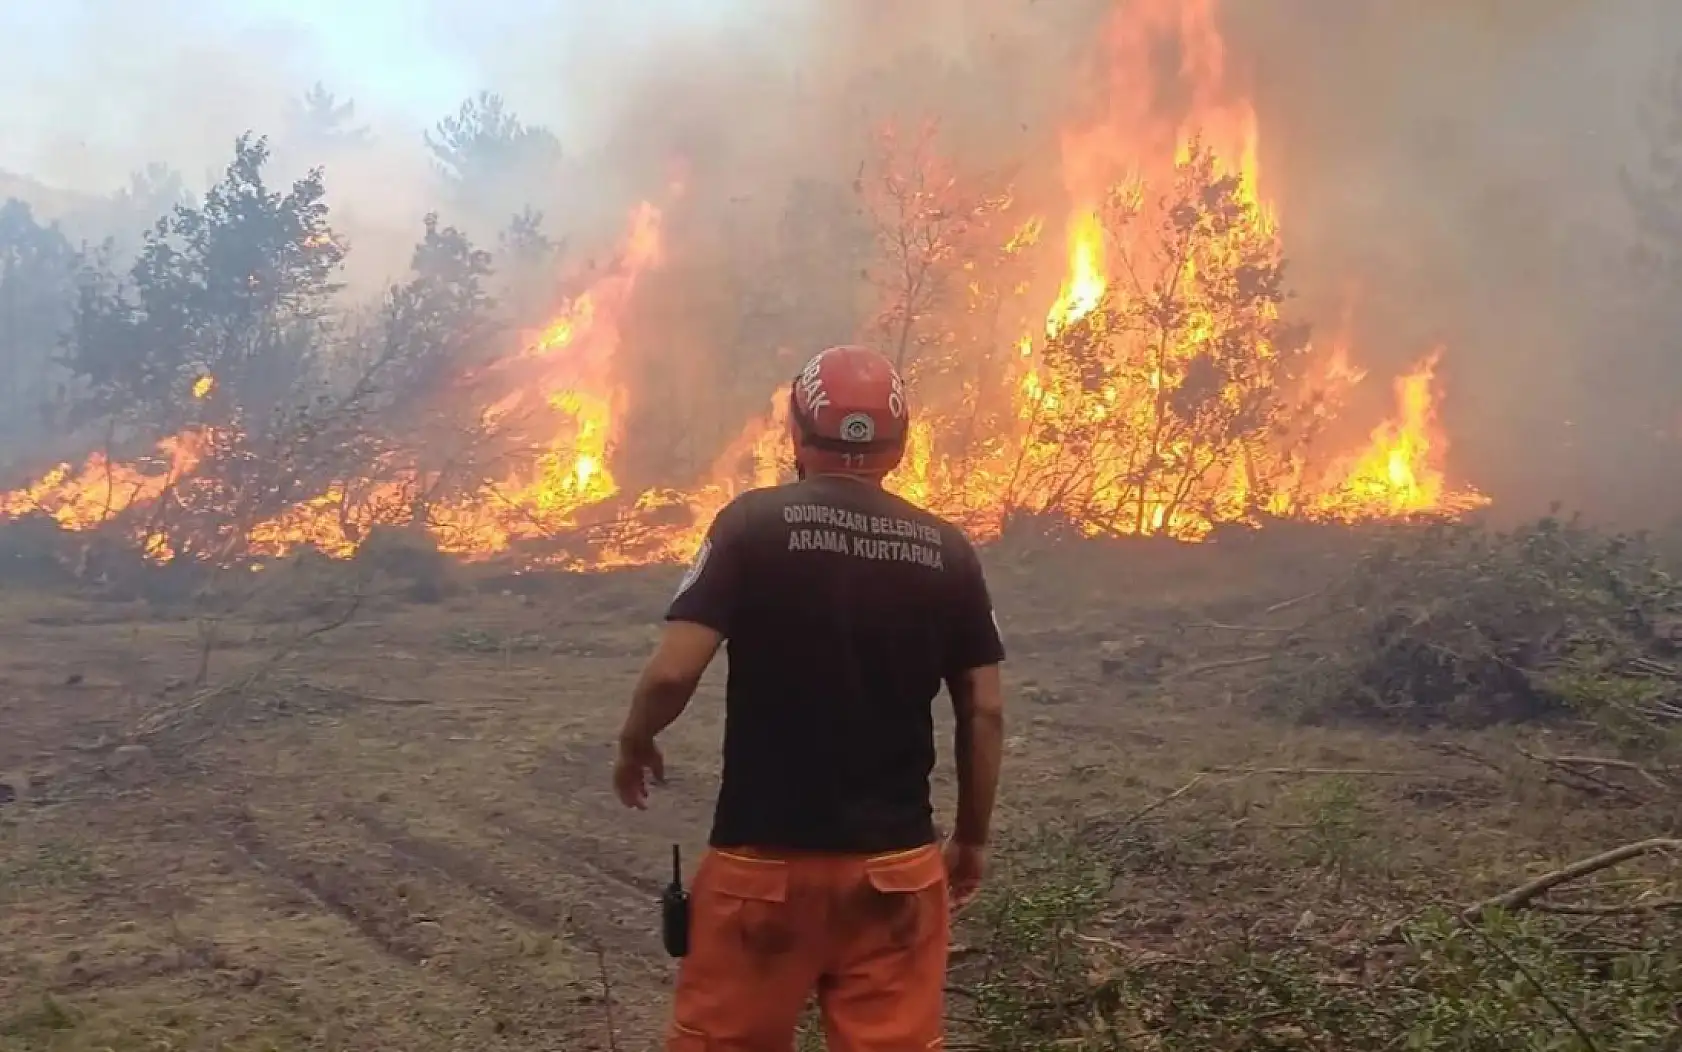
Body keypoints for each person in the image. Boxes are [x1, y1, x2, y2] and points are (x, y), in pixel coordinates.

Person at [613, 344, 1007, 1052]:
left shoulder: (750, 526)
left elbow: (674, 674)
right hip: (895, 872)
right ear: (902, 443)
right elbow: (984, 708)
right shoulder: (947, 551)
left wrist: (635, 739)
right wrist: (972, 836)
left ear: (794, 431)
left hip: (761, 872)